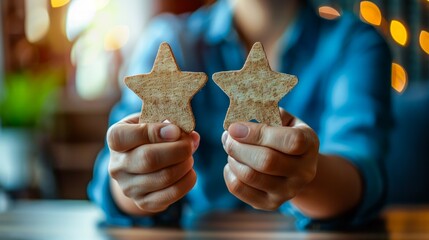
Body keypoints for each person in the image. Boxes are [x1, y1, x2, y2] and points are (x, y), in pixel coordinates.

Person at [88, 0, 392, 230]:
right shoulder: (169, 40)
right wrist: (135, 177)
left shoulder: (354, 44)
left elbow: (362, 172)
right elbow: (112, 174)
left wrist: (308, 175)